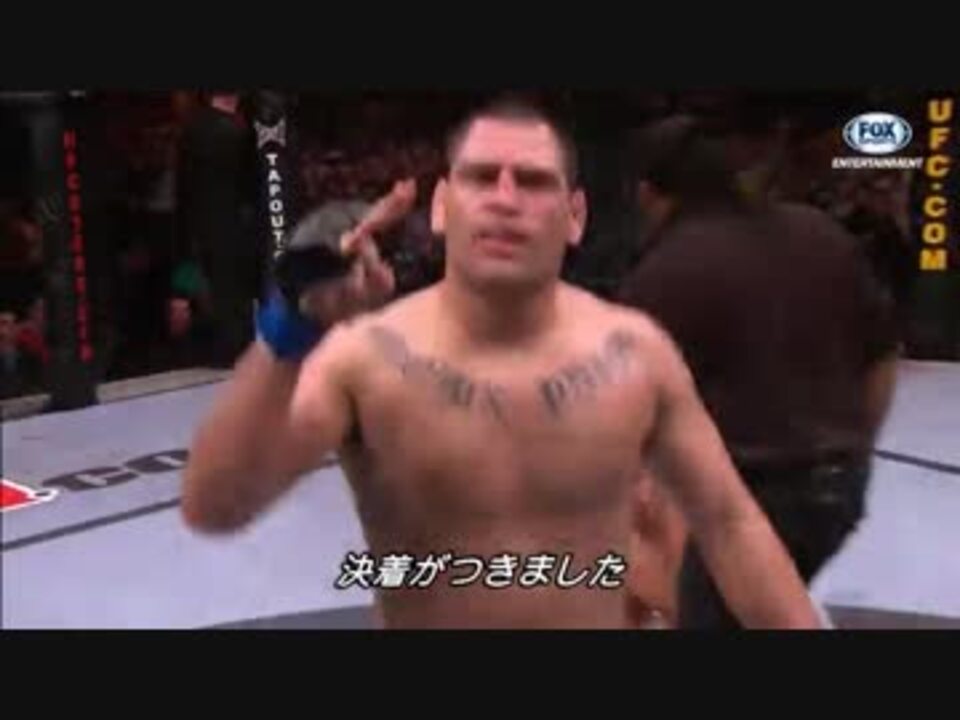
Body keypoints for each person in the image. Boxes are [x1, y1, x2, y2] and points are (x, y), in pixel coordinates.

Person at [182, 98, 822, 630]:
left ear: (575, 216)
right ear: (441, 206)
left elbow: (729, 522)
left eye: (534, 181)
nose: (506, 199)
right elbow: (216, 506)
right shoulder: (365, 357)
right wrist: (292, 328)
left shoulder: (636, 353)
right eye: (482, 177)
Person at [617, 115, 901, 629]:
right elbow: (882, 357)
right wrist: (855, 447)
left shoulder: (669, 269)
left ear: (650, 194)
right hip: (837, 490)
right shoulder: (819, 233)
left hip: (748, 496)